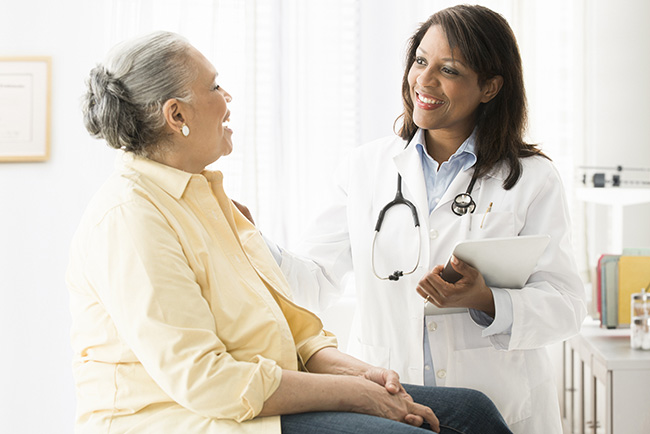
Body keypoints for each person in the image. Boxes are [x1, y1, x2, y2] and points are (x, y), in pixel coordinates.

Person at [66, 31, 513, 434]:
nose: (228, 98)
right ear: (176, 114)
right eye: (215, 86)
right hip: (187, 418)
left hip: (258, 400)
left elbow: (294, 331)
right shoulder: (131, 218)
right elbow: (207, 383)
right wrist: (357, 396)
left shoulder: (209, 196)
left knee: (473, 413)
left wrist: (363, 375)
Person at [275, 5, 587, 434]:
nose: (424, 79)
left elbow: (567, 305)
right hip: (392, 399)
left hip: (499, 405)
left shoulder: (531, 178)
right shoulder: (365, 168)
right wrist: (245, 238)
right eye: (421, 61)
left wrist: (486, 300)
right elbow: (310, 280)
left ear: (490, 87)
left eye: (450, 70)